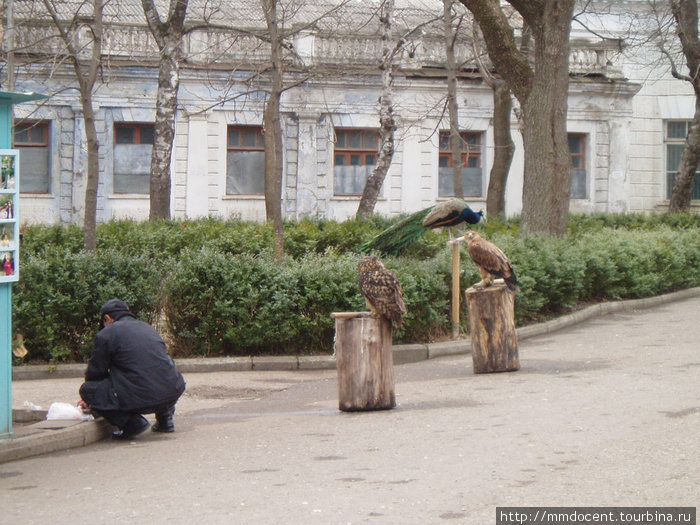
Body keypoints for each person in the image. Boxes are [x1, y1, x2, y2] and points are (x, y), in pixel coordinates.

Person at [79, 299, 186, 440]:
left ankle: (132, 424)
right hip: (172, 390)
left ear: (107, 319)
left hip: (140, 397)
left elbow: (96, 373)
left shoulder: (106, 334)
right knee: (157, 376)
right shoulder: (147, 328)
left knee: (87, 389)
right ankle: (165, 420)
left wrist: (93, 399)